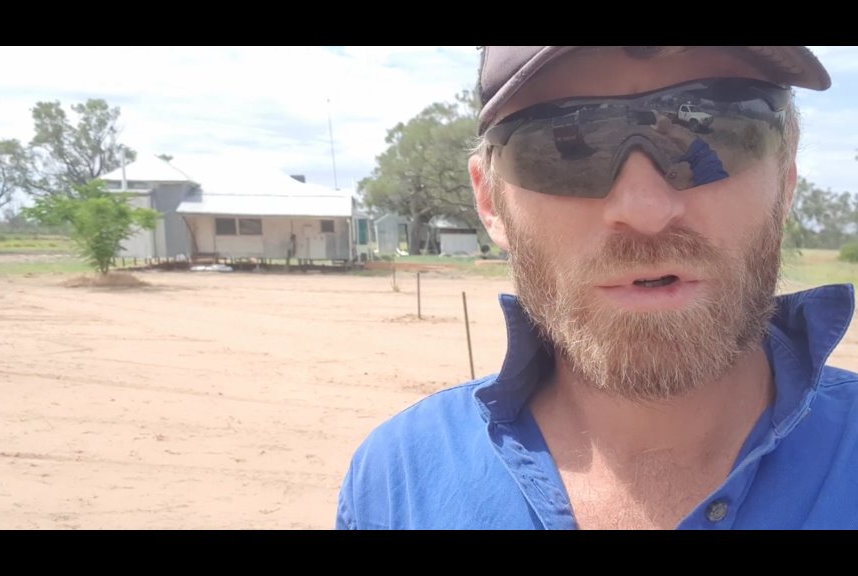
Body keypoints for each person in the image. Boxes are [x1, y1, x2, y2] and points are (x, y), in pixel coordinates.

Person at [336, 46, 858, 530]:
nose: (645, 211)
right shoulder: (395, 484)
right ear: (490, 202)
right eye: (567, 147)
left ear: (785, 180)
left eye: (718, 128)